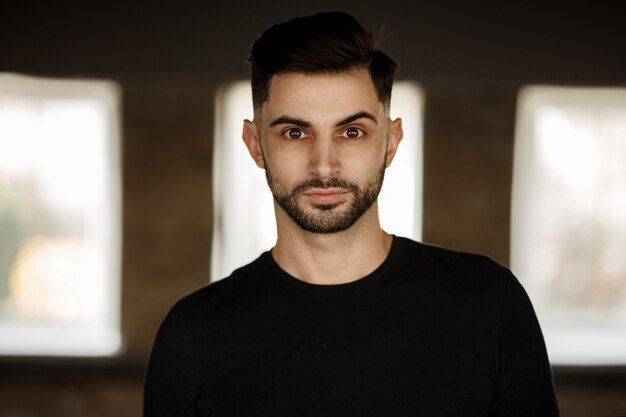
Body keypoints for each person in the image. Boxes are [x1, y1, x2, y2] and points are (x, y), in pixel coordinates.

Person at [143, 11, 559, 416]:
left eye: (352, 132)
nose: (324, 165)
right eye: (294, 132)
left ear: (391, 142)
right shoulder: (192, 335)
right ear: (255, 144)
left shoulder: (490, 306)